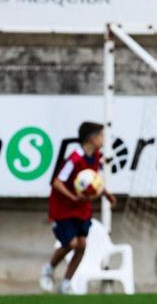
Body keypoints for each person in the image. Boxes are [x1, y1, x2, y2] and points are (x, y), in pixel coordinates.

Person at [40, 121, 116, 294]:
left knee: (81, 245)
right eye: (101, 136)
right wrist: (73, 196)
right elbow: (57, 182)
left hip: (82, 209)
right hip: (63, 208)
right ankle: (49, 268)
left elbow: (94, 181)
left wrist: (106, 194)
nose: (103, 139)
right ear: (92, 138)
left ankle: (66, 283)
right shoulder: (74, 159)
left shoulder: (96, 156)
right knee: (71, 243)